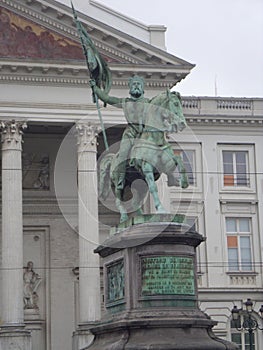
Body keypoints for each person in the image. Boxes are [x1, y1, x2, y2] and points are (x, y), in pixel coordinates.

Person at [90, 75, 151, 190]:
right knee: (123, 153)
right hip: (130, 133)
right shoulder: (125, 102)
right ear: (129, 88)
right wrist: (96, 89)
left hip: (144, 134)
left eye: (138, 84)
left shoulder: (149, 103)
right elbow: (107, 98)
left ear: (143, 88)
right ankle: (121, 179)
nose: (136, 86)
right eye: (134, 84)